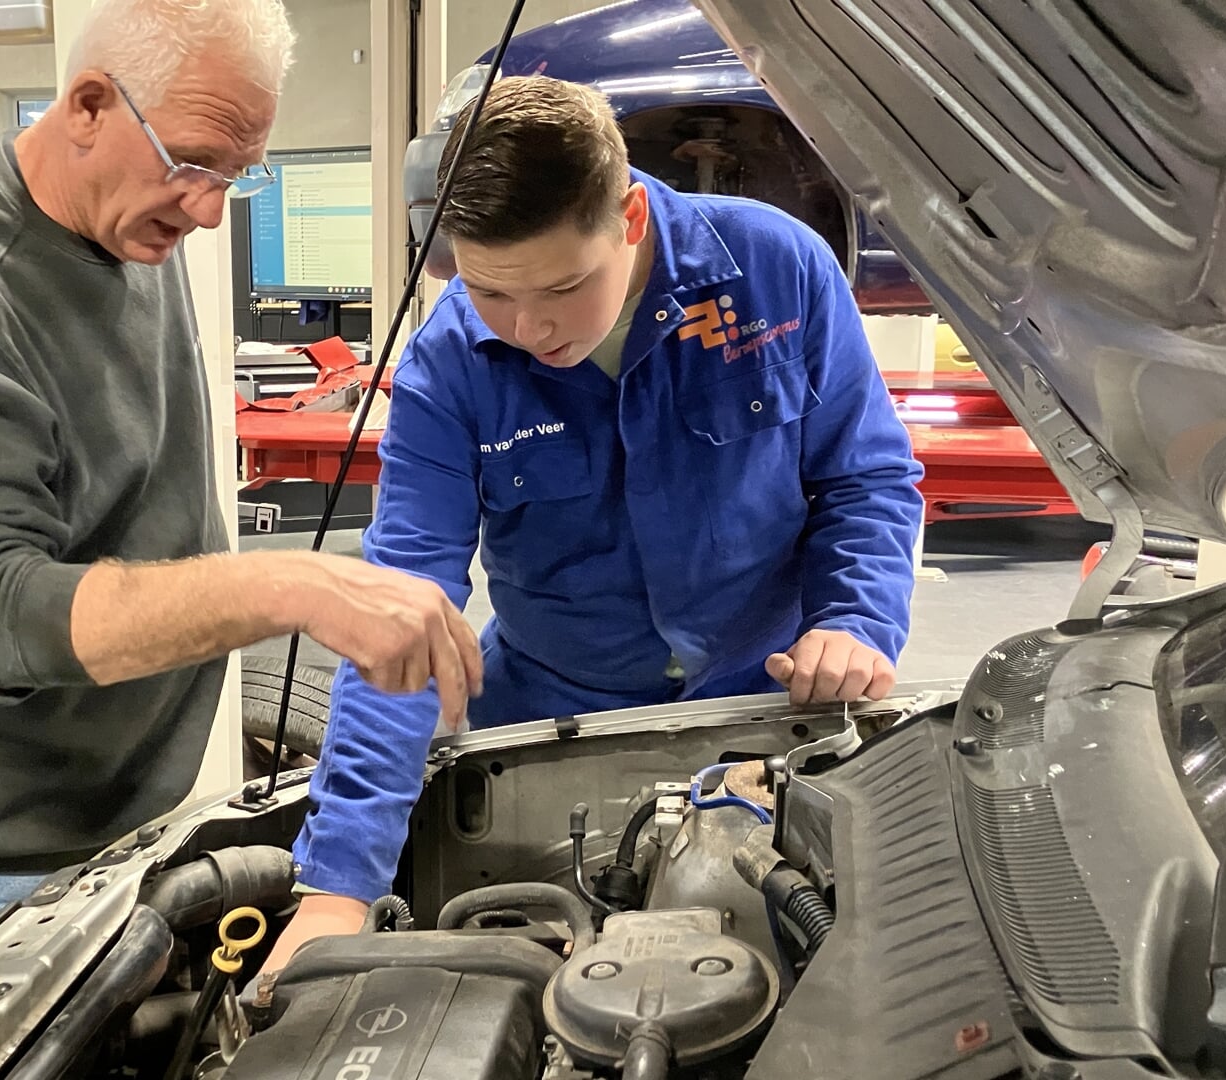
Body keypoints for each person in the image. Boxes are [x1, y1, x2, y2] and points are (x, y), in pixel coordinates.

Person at [0, 0, 483, 963]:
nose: (211, 207)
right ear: (88, 104)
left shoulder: (124, 215)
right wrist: (289, 584)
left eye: (236, 173)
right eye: (194, 162)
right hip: (5, 839)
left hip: (132, 796)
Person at [262, 75, 925, 970]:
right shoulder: (450, 363)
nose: (529, 328)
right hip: (546, 715)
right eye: (491, 292)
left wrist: (853, 621)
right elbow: (399, 611)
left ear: (632, 217)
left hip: (765, 699)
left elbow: (865, 479)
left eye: (564, 286)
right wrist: (336, 887)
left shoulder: (778, 271)